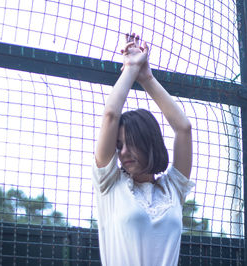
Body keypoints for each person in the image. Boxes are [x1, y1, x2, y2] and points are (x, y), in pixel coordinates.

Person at [92, 33, 195, 266]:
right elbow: (110, 115)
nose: (124, 152)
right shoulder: (109, 184)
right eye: (119, 146)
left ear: (149, 142)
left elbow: (184, 129)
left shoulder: (173, 189)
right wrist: (130, 68)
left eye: (132, 142)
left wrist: (147, 78)